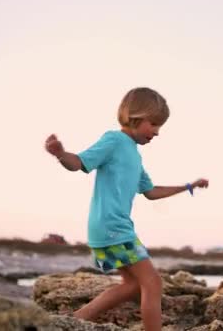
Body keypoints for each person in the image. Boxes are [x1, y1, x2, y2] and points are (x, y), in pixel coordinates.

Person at [44, 87, 209, 330]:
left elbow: (151, 192)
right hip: (113, 227)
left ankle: (72, 321)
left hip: (108, 229)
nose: (157, 132)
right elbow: (79, 162)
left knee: (132, 285)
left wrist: (188, 186)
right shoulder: (113, 140)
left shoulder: (135, 155)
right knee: (152, 283)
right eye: (153, 124)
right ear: (135, 116)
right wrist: (60, 154)